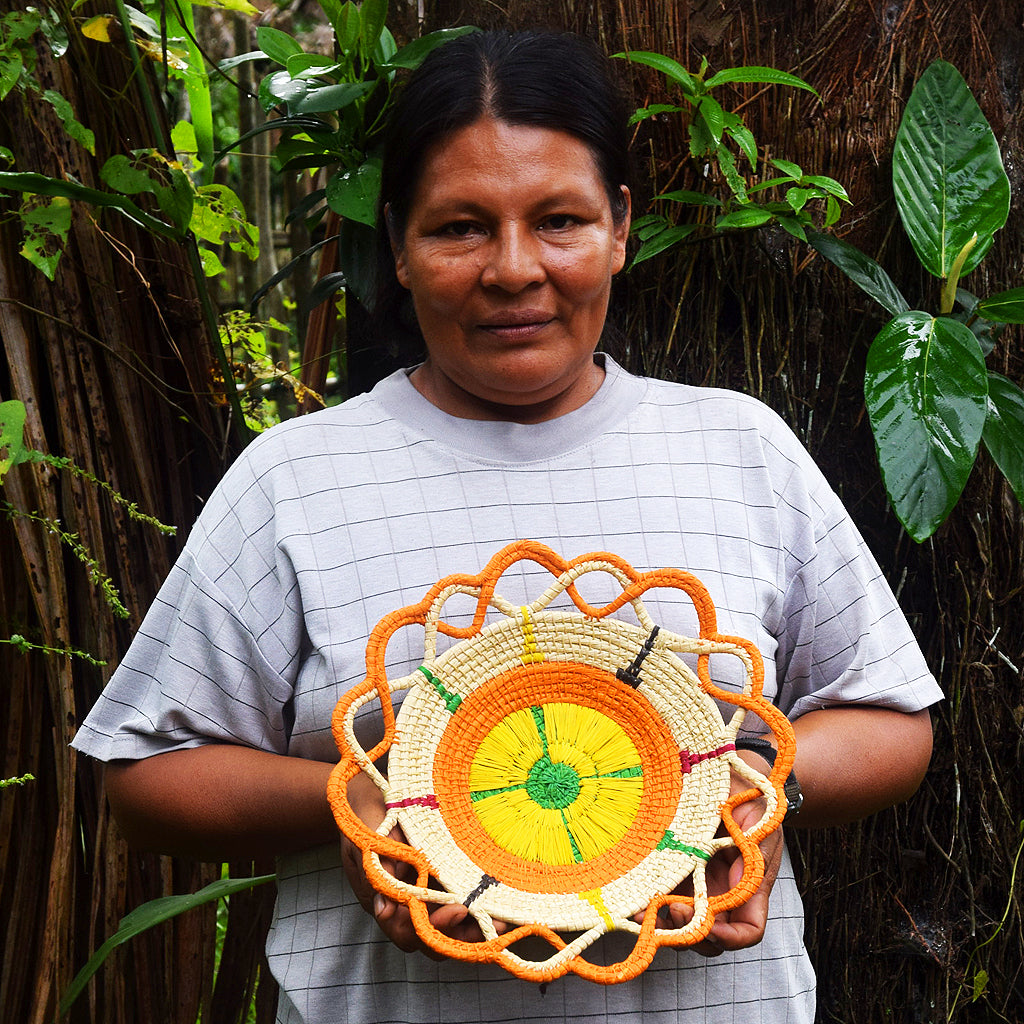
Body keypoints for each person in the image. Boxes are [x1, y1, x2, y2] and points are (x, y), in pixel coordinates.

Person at [73, 29, 941, 1024]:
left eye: (560, 219)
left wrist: (752, 786)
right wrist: (352, 802)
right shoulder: (298, 479)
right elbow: (144, 773)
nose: (514, 269)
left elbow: (888, 720)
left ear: (620, 226)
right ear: (397, 242)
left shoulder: (737, 450)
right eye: (460, 228)